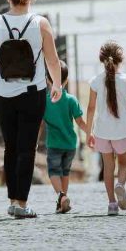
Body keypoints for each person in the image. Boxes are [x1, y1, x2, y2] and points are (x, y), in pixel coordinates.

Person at [0, 0, 63, 219]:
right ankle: (21, 203)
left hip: (2, 93)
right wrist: (56, 84)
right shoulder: (41, 23)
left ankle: (11, 199)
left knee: (11, 147)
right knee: (27, 148)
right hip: (32, 93)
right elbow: (53, 60)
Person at [86, 40, 126, 216]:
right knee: (123, 165)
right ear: (120, 60)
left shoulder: (95, 81)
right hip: (123, 131)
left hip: (102, 132)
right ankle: (120, 185)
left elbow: (90, 108)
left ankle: (111, 204)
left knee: (108, 167)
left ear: (102, 60)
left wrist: (88, 133)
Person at [42, 62, 88, 213]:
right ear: (66, 80)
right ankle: (62, 200)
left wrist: (34, 142)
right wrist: (90, 133)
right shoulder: (71, 100)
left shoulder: (45, 101)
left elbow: (39, 124)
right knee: (65, 172)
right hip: (70, 144)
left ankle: (61, 196)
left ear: (48, 80)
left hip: (54, 144)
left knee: (54, 172)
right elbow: (80, 122)